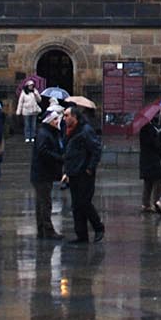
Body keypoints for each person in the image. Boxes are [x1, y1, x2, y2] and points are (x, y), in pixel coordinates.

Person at [59, 103, 104, 243]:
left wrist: (90, 168)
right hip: (73, 172)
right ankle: (81, 235)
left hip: (84, 172)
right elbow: (68, 153)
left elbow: (96, 149)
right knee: (76, 205)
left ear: (75, 117)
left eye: (66, 115)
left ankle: (98, 227)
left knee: (84, 202)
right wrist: (66, 171)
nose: (64, 118)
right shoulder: (69, 131)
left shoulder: (85, 130)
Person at [31, 106, 66, 238]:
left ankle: (42, 229)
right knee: (45, 203)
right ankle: (48, 230)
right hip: (42, 173)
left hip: (43, 173)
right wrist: (58, 157)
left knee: (41, 202)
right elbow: (43, 151)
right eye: (55, 119)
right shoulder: (44, 133)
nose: (57, 122)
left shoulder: (49, 132)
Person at [137, 113, 161, 212]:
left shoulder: (145, 129)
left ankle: (145, 204)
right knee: (158, 181)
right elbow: (155, 144)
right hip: (152, 160)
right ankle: (156, 203)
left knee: (148, 182)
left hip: (145, 160)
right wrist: (159, 137)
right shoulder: (150, 130)